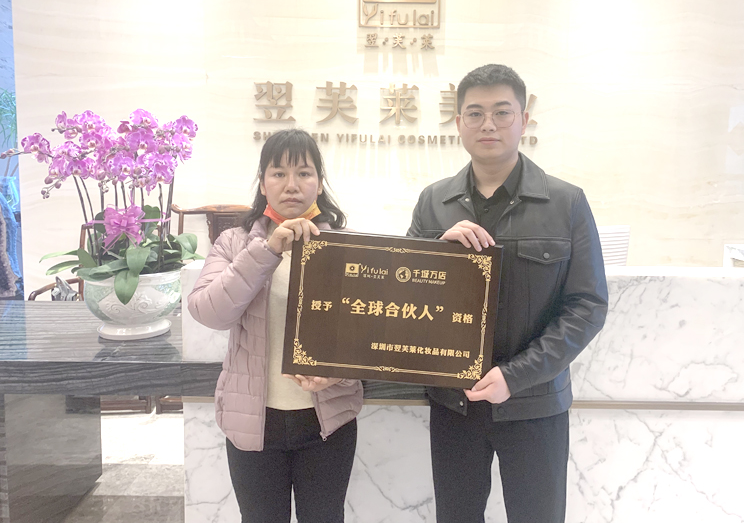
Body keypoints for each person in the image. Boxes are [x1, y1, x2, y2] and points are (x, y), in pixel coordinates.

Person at [407, 64, 608, 523]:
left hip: (534, 402)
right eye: (475, 113)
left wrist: (515, 376)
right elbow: (406, 297)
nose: (489, 125)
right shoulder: (433, 202)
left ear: (524, 119)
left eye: (502, 112)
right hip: (454, 404)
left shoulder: (566, 202)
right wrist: (437, 252)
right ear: (458, 122)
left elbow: (587, 306)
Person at [187, 129, 363, 523]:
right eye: (279, 173)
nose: (291, 184)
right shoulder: (234, 243)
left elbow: (368, 335)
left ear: (319, 183)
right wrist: (267, 251)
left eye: (304, 173)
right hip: (253, 424)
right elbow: (209, 312)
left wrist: (337, 371)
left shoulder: (347, 246)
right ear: (263, 183)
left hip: (327, 422)